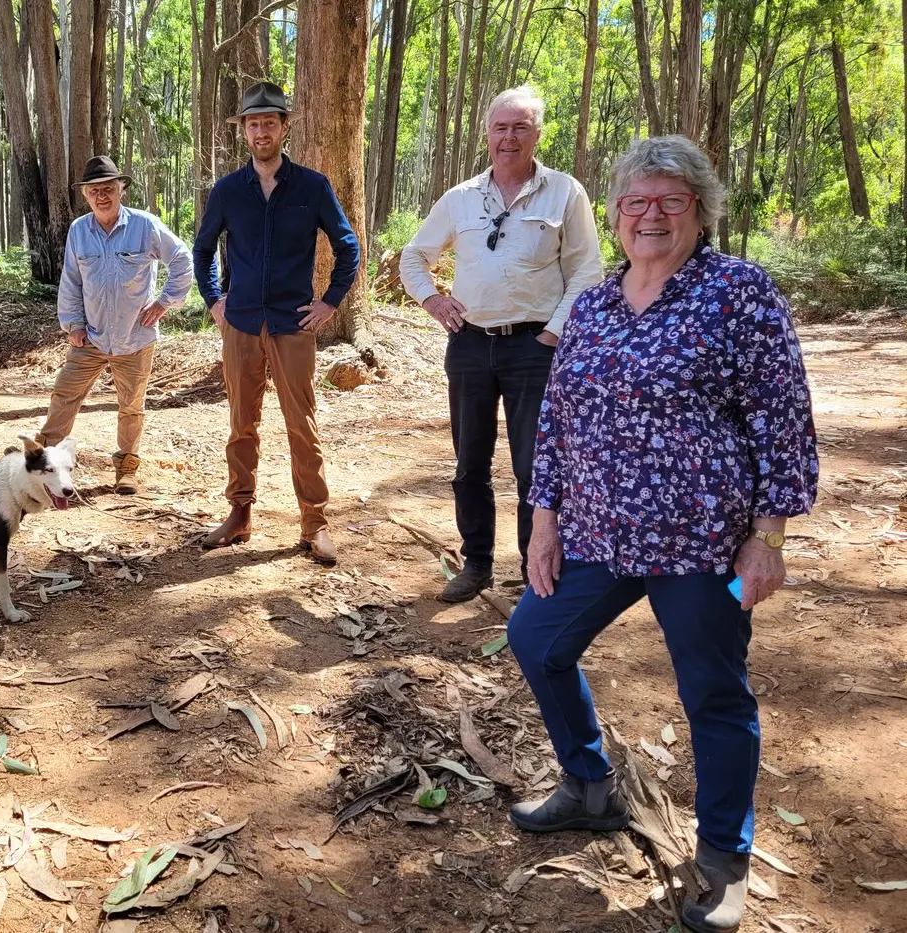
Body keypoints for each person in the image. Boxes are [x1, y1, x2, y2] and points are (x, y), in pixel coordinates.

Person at [505, 135, 818, 933]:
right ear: (613, 215)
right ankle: (590, 785)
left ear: (700, 212)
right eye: (637, 201)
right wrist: (545, 520)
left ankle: (722, 858)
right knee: (536, 637)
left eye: (670, 200)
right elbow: (560, 421)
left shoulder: (739, 292)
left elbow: (782, 422)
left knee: (714, 693)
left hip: (704, 545)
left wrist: (768, 539)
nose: (651, 215)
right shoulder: (597, 303)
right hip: (599, 536)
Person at [400, 86, 603, 602]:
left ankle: (535, 571)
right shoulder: (461, 198)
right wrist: (435, 303)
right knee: (469, 462)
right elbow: (412, 257)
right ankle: (477, 564)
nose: (508, 137)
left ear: (536, 135)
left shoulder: (565, 193)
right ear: (487, 134)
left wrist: (553, 333)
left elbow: (586, 270)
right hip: (469, 345)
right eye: (500, 127)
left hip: (535, 348)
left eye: (520, 128)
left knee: (533, 466)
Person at [192, 81, 360, 565]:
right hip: (241, 323)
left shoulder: (312, 186)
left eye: (269, 122)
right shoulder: (227, 191)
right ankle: (239, 515)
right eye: (252, 123)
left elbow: (347, 246)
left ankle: (315, 523)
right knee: (242, 424)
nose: (261, 131)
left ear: (285, 127)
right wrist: (214, 301)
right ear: (243, 132)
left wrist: (328, 302)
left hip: (292, 324)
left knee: (301, 425)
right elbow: (204, 249)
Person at [36, 156, 192, 495]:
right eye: (94, 191)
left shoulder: (145, 226)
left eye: (108, 189)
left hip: (134, 337)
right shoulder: (79, 230)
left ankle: (126, 468)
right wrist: (73, 323)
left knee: (131, 405)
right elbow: (72, 280)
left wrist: (165, 301)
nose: (102, 196)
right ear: (86, 195)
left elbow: (181, 258)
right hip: (90, 335)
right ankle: (42, 464)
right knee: (64, 395)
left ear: (121, 190)